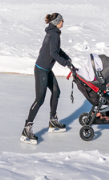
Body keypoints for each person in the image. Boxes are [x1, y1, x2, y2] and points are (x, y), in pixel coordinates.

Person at [21, 13, 73, 145]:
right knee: (39, 99)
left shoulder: (53, 32)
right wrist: (66, 63)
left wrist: (66, 57)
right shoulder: (54, 34)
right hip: (41, 70)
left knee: (56, 92)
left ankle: (52, 121)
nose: (63, 22)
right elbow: (53, 53)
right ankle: (27, 129)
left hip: (46, 69)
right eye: (62, 20)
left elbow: (56, 49)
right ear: (57, 22)